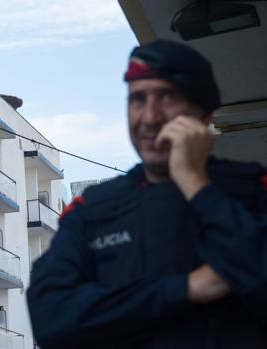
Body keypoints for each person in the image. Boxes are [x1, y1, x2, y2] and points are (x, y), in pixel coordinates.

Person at [27, 40, 267, 349]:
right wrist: (185, 289)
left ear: (205, 115)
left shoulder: (252, 188)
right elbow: (51, 317)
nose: (150, 117)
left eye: (167, 97)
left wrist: (194, 182)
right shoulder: (92, 209)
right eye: (138, 100)